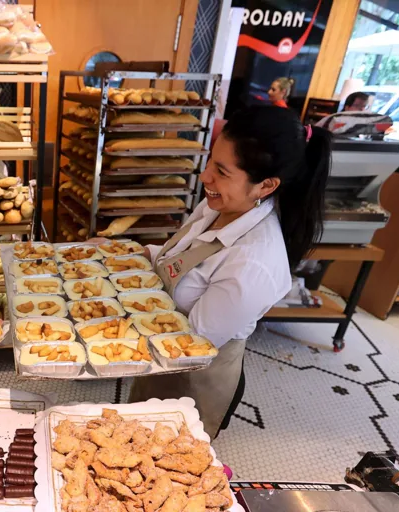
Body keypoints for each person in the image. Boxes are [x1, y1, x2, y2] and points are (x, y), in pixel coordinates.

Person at [127, 106, 331, 439]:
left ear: (265, 186)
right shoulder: (217, 206)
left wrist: (107, 342)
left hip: (191, 379)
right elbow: (181, 262)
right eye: (210, 162)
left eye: (221, 171)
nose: (205, 177)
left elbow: (190, 344)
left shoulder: (253, 261)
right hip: (158, 363)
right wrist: (135, 253)